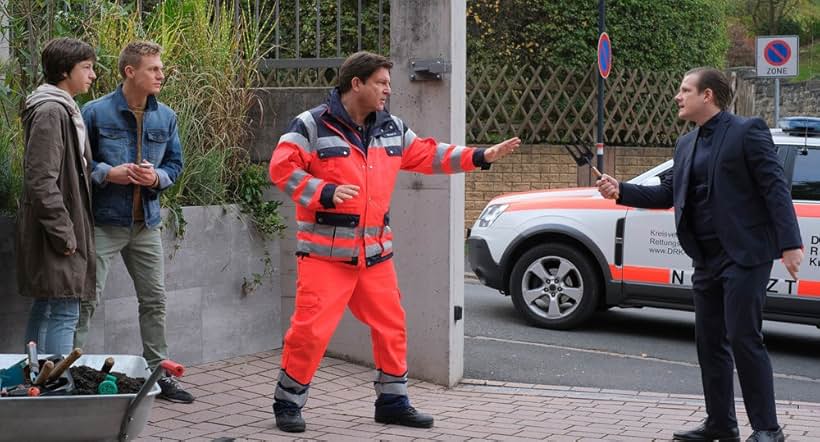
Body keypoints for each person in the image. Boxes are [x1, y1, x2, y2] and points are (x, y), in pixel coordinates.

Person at [268, 51, 520, 433]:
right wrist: (323, 191)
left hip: (374, 257)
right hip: (325, 258)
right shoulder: (311, 125)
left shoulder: (392, 128)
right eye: (381, 83)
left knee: (392, 326)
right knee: (311, 331)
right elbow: (281, 168)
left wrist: (480, 156)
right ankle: (288, 402)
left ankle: (392, 401)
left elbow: (429, 155)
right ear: (357, 84)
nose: (388, 90)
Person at [597, 67, 801, 442]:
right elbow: (668, 193)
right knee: (710, 343)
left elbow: (774, 188)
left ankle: (768, 430)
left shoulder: (746, 131)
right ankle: (720, 425)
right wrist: (620, 190)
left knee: (744, 338)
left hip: (743, 255)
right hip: (705, 259)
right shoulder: (686, 144)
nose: (678, 96)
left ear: (707, 96)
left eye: (684, 89)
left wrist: (790, 243)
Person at [73, 41, 192, 403]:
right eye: (153, 69)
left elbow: (175, 165)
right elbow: (78, 165)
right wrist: (111, 173)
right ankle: (66, 372)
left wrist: (156, 178)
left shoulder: (165, 116)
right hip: (104, 222)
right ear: (130, 72)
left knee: (155, 300)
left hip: (146, 224)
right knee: (87, 299)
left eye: (160, 68)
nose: (161, 74)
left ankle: (159, 375)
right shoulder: (94, 112)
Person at [17, 37, 97, 355]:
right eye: (87, 67)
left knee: (48, 304)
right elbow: (41, 179)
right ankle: (57, 387)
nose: (92, 75)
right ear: (65, 71)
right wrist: (65, 233)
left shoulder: (61, 109)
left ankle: (36, 377)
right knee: (65, 309)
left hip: (56, 225)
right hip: (56, 230)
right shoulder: (52, 111)